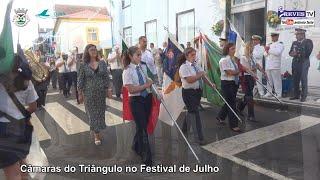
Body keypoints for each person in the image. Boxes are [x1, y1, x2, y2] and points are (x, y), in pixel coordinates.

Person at [0, 54, 38, 180]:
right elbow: (33, 107)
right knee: (22, 164)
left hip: (3, 130)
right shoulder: (26, 80)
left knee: (12, 173)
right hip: (21, 127)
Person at [122, 46, 153, 166]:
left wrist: (151, 88)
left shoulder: (141, 67)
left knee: (141, 126)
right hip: (136, 100)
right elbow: (131, 89)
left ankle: (136, 146)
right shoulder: (127, 71)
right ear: (130, 56)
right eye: (138, 55)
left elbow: (148, 80)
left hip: (146, 98)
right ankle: (146, 158)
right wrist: (146, 85)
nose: (140, 57)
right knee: (143, 128)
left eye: (140, 55)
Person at [178, 47, 216, 145]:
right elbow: (190, 80)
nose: (194, 57)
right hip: (188, 93)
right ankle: (199, 138)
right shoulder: (183, 67)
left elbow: (203, 76)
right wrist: (201, 74)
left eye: (195, 55)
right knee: (195, 113)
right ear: (186, 56)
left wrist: (211, 84)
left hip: (197, 92)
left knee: (191, 111)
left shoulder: (196, 65)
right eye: (192, 55)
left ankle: (185, 128)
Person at [78, 44, 111, 145]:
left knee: (100, 113)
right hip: (88, 93)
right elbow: (80, 80)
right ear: (87, 52)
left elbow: (106, 77)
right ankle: (96, 135)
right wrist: (80, 93)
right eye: (91, 50)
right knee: (92, 114)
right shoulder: (83, 65)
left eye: (95, 49)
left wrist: (108, 89)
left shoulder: (102, 63)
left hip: (101, 93)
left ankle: (97, 130)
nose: (94, 51)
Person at [237, 42, 264, 122]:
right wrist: (254, 68)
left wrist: (262, 71)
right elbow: (245, 69)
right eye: (251, 47)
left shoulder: (252, 57)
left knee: (248, 95)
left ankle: (239, 107)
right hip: (246, 77)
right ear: (248, 48)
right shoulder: (243, 57)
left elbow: (257, 65)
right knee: (250, 96)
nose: (252, 49)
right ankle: (251, 115)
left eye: (253, 47)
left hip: (252, 77)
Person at [218, 43, 241, 132]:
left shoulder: (233, 60)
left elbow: (235, 71)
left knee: (229, 102)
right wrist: (237, 71)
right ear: (227, 50)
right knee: (232, 104)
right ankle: (234, 125)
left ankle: (220, 116)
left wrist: (236, 71)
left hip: (234, 82)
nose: (234, 50)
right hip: (227, 83)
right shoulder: (224, 60)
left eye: (234, 48)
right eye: (232, 49)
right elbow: (229, 72)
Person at [289, 28, 313, 102]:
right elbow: (290, 52)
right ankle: (296, 95)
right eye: (296, 34)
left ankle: (303, 96)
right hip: (295, 63)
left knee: (303, 80)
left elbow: (308, 53)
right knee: (295, 80)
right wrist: (292, 54)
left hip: (304, 63)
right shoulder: (294, 43)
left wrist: (298, 53)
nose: (296, 36)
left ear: (302, 34)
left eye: (298, 34)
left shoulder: (308, 41)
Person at [264, 32, 284, 99]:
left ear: (277, 36)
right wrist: (267, 51)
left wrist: (268, 50)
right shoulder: (269, 44)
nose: (273, 37)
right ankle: (269, 92)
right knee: (269, 80)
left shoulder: (280, 44)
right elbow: (264, 54)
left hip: (275, 65)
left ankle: (278, 94)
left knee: (277, 80)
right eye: (272, 36)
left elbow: (277, 52)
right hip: (268, 65)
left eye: (274, 36)